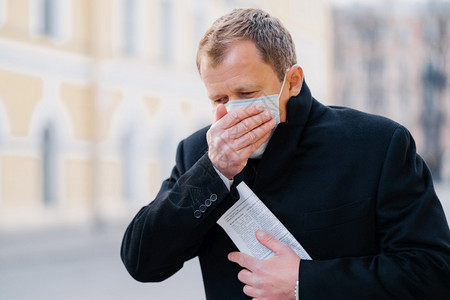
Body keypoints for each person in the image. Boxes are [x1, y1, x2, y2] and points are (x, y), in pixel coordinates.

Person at [121, 8, 450, 299]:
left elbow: (433, 271)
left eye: (246, 93)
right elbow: (142, 262)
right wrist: (213, 172)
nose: (232, 110)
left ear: (292, 81)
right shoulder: (198, 151)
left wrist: (304, 282)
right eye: (219, 99)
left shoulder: (377, 144)